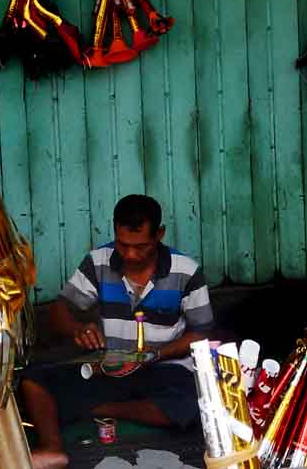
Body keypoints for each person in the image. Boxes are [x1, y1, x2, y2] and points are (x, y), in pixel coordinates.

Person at [22, 194, 214, 469]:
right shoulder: (99, 262)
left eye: (141, 247)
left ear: (159, 234)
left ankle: (94, 409)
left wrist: (156, 354)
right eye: (123, 245)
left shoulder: (186, 270)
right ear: (114, 230)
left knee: (194, 400)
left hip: (166, 369)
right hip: (111, 368)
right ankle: (53, 449)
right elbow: (59, 311)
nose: (131, 255)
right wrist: (78, 328)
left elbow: (202, 333)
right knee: (33, 380)